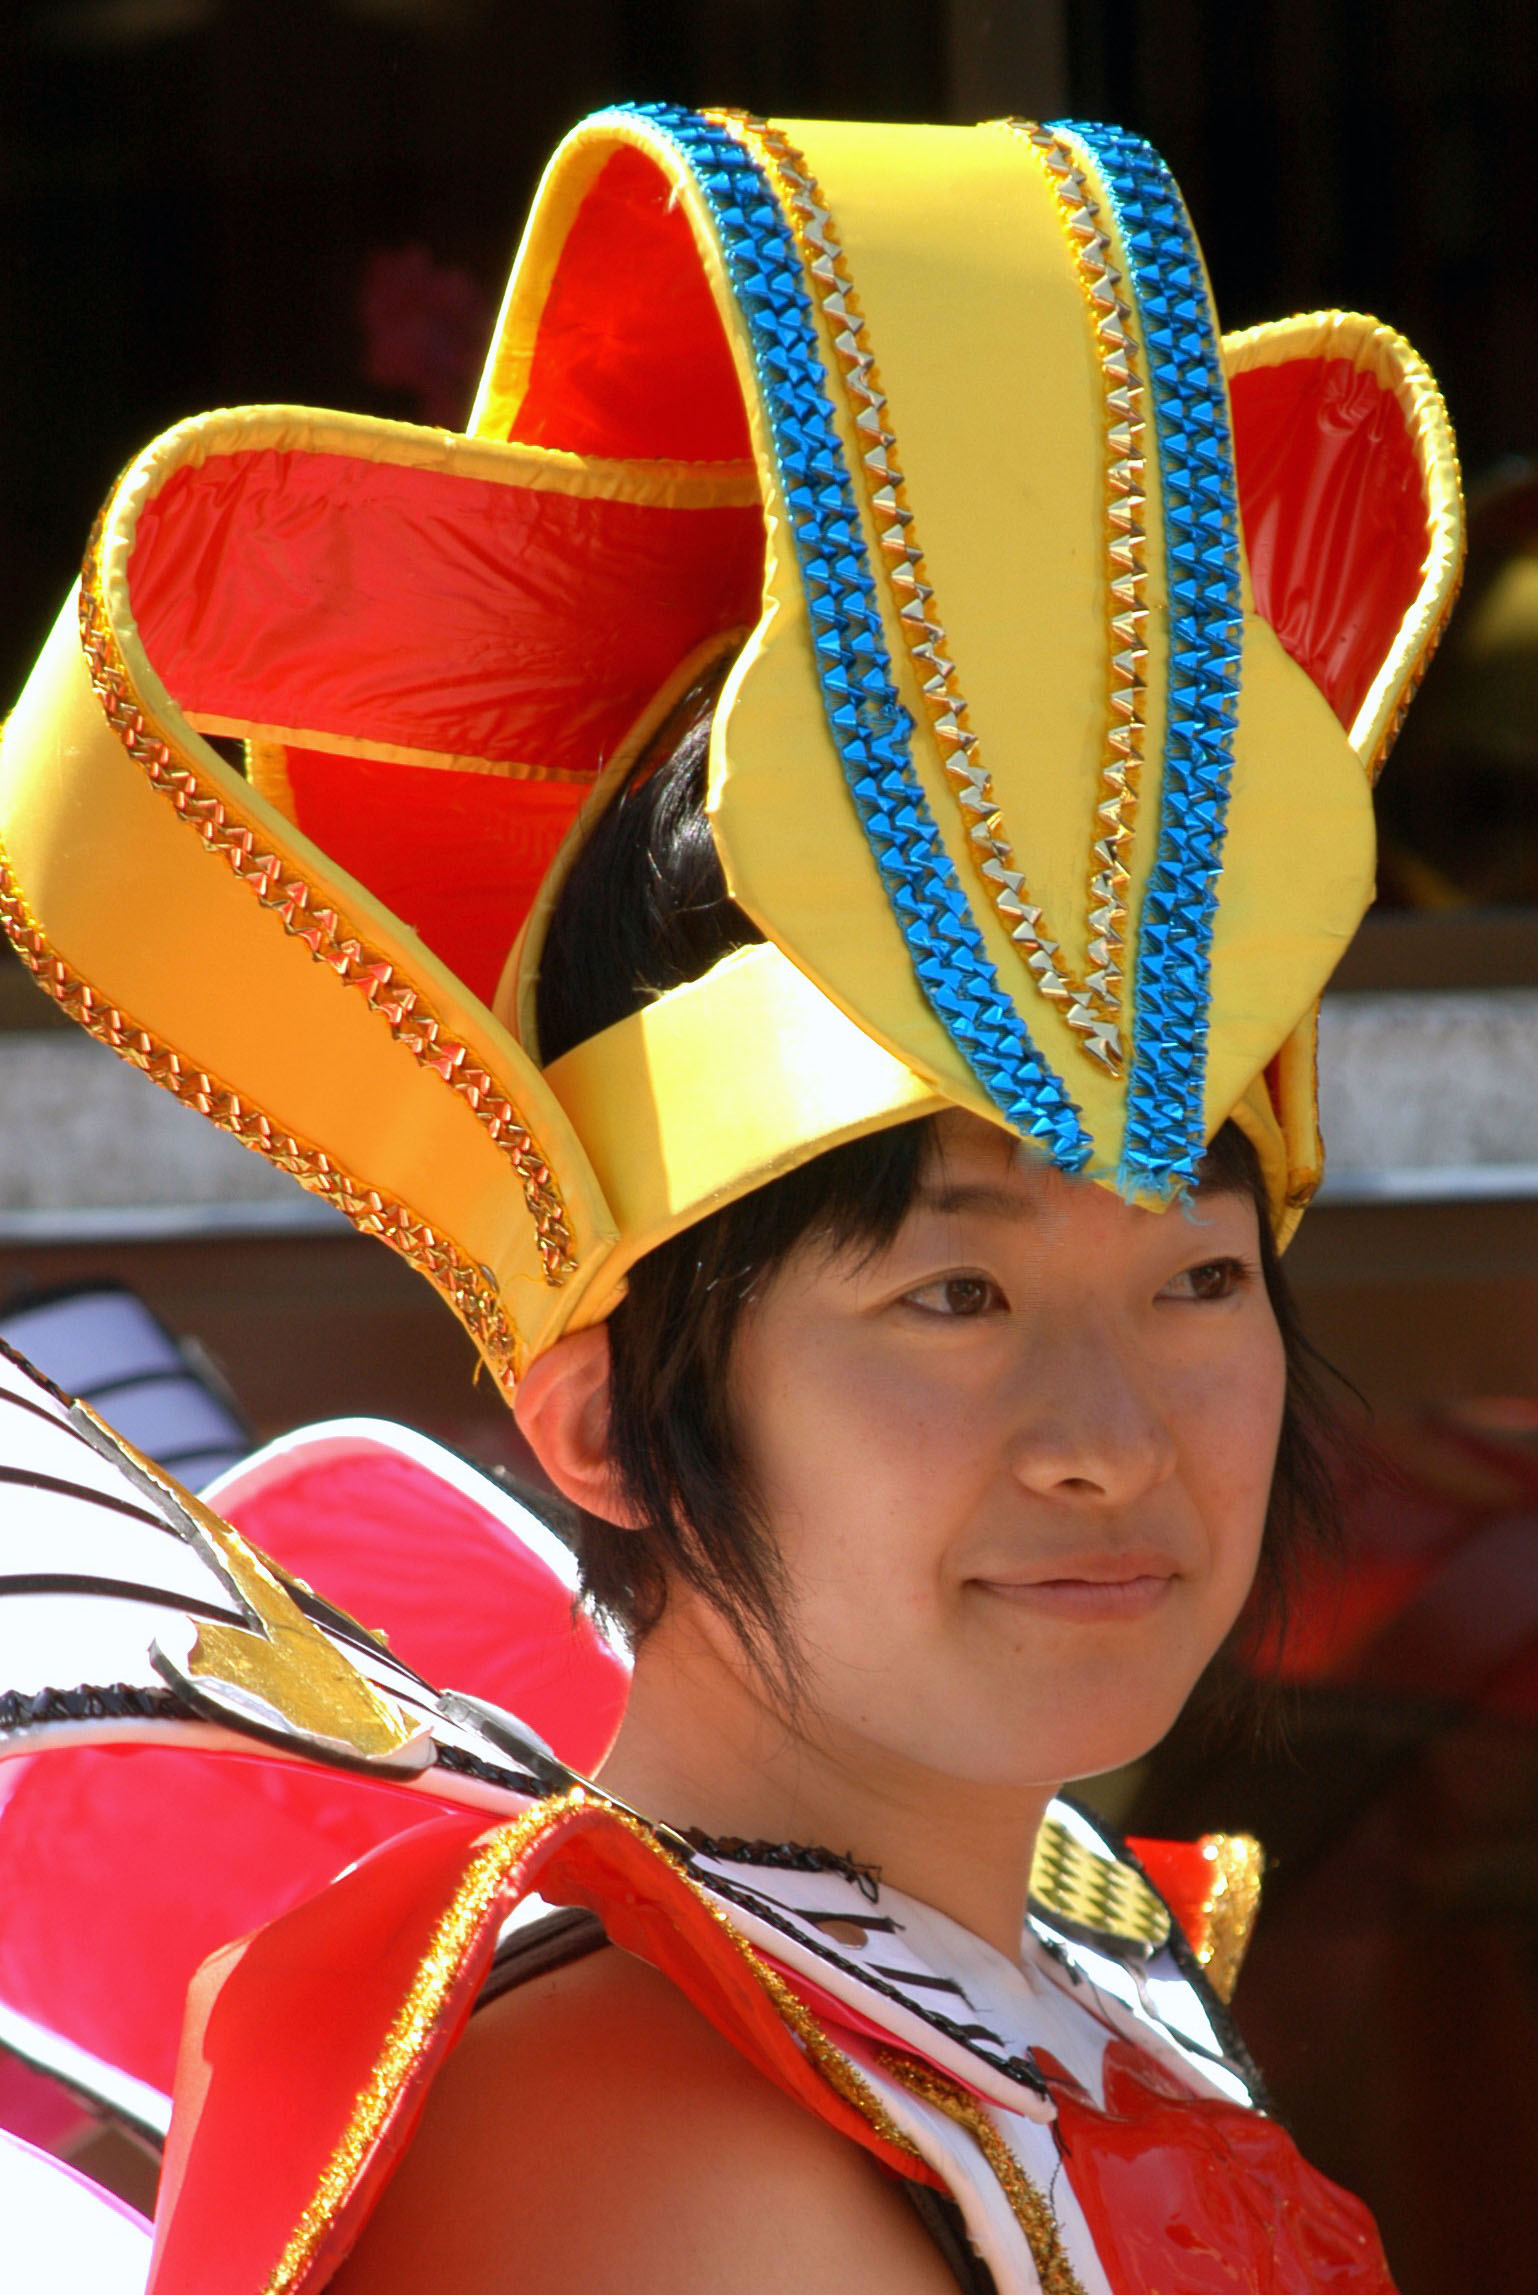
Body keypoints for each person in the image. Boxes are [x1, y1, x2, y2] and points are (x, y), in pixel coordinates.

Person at [0, 104, 1462, 2293]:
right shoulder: (659, 2164)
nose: (1113, 1429)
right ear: (600, 1415)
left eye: (1191, 1274)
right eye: (950, 1294)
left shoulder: (998, 2023)